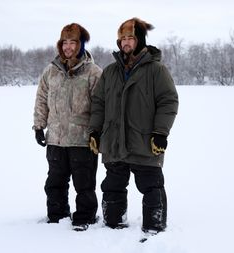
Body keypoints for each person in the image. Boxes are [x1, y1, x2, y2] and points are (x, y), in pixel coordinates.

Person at [88, 18, 179, 235]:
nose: (126, 43)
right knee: (112, 186)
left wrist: (160, 133)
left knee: (152, 186)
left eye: (130, 38)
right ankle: (113, 225)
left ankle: (154, 227)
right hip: (115, 141)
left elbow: (168, 101)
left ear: (140, 41)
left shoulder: (156, 70)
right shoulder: (110, 72)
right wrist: (95, 131)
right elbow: (98, 103)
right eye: (122, 39)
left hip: (144, 140)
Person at [32, 23, 102, 231]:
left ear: (80, 45)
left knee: (84, 184)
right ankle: (57, 216)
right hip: (56, 138)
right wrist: (39, 126)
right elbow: (41, 99)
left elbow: (100, 106)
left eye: (73, 42)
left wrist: (97, 132)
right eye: (65, 43)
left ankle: (85, 217)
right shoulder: (50, 71)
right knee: (54, 182)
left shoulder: (93, 72)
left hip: (82, 139)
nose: (68, 47)